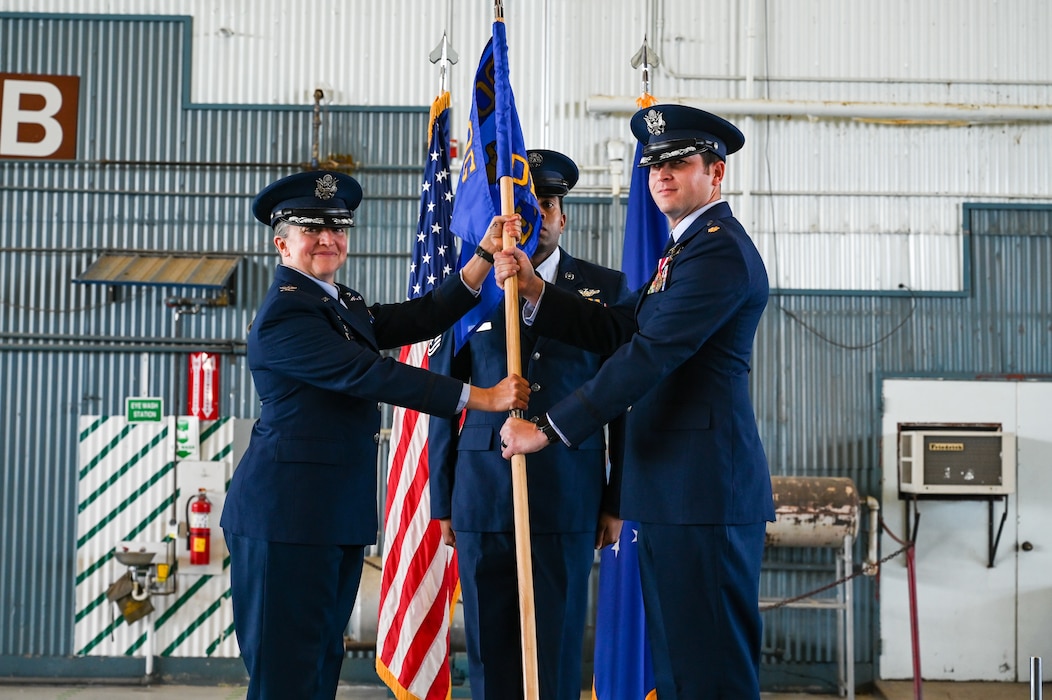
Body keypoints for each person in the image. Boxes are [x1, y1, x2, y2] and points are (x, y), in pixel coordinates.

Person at [495, 106, 775, 699]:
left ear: (716, 173)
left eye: (679, 163)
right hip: (678, 490)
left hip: (704, 493)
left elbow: (648, 355)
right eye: (654, 165)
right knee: (679, 665)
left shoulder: (718, 253)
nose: (662, 175)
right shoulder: (686, 249)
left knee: (710, 672)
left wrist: (547, 429)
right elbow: (620, 327)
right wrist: (535, 287)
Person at [220, 170, 530, 700]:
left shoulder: (335, 301)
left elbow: (420, 315)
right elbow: (372, 374)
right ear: (282, 242)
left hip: (329, 515)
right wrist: (483, 397)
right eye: (310, 229)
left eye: (337, 227)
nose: (328, 239)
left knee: (318, 663)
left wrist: (481, 255)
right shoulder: (285, 315)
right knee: (286, 674)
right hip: (285, 518)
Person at [428, 150, 630, 699]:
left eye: (545, 203)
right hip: (484, 492)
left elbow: (624, 400)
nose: (536, 214)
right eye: (523, 204)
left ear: (562, 214)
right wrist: (442, 500)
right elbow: (445, 391)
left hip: (569, 492)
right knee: (491, 653)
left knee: (559, 649)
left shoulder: (606, 289)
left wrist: (616, 499)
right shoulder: (471, 286)